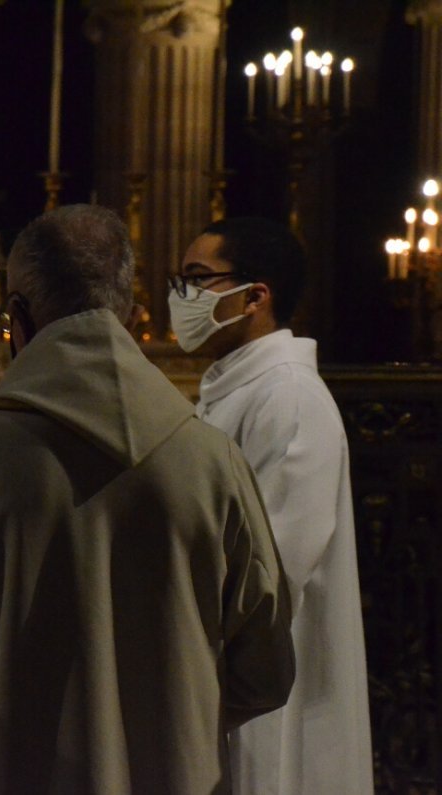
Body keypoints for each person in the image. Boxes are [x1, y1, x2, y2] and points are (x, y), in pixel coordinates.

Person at [0, 205, 297, 793]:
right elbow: (266, 669)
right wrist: (169, 725)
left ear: (18, 317)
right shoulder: (212, 460)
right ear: (126, 311)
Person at [171, 217, 373, 794]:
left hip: (271, 674)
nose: (180, 298)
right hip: (225, 660)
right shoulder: (239, 387)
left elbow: (272, 567)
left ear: (256, 296)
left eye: (197, 279)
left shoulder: (289, 396)